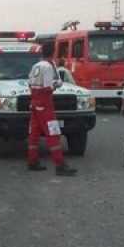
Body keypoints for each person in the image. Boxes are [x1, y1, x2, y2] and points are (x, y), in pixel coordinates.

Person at [26, 42, 77, 176]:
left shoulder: (36, 65)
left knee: (34, 134)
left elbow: (30, 83)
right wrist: (58, 84)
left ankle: (32, 161)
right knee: (53, 133)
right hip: (45, 103)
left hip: (35, 102)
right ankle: (60, 165)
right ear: (53, 52)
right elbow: (48, 86)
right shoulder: (48, 66)